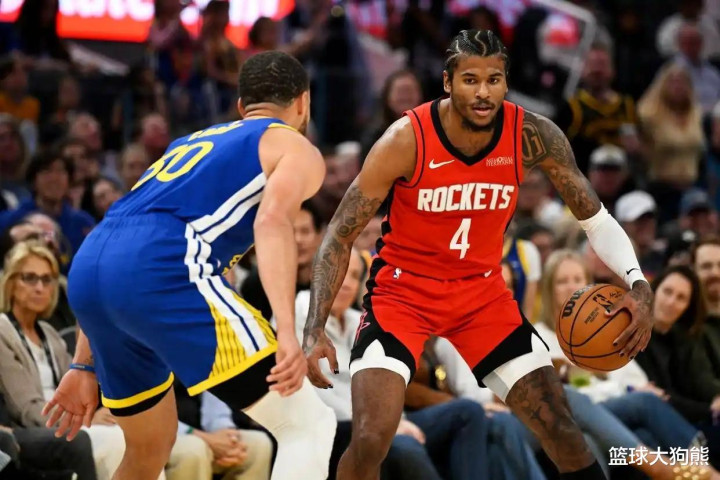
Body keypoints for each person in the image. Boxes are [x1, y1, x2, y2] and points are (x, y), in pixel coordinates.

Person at [303, 29, 654, 480]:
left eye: (494, 79)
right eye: (470, 80)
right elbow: (339, 233)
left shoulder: (532, 135)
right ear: (447, 82)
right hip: (403, 296)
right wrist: (314, 327)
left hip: (482, 297)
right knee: (372, 438)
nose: (483, 92)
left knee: (563, 430)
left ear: (506, 83)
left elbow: (596, 219)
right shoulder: (406, 139)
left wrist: (637, 283)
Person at [42, 51, 336, 480]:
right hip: (165, 267)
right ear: (304, 102)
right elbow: (272, 221)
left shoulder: (188, 143)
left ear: (241, 106)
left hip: (92, 265)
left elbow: (121, 242)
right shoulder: (294, 146)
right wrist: (286, 333)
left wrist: (83, 364)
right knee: (307, 424)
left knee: (150, 446)